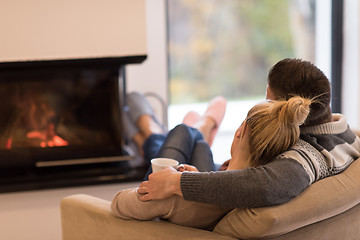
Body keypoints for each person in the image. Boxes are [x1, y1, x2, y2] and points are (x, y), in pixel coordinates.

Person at [131, 58, 360, 210]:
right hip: (223, 174)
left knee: (183, 133)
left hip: (206, 214)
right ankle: (186, 128)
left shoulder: (306, 157)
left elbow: (266, 186)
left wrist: (177, 182)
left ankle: (171, 129)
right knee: (194, 141)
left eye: (268, 101)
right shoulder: (346, 135)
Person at [111, 96, 314, 229]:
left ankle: (160, 131)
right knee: (199, 145)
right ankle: (195, 129)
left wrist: (174, 183)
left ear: (239, 132)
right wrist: (197, 176)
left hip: (160, 226)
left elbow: (119, 204)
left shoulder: (175, 199)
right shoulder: (254, 194)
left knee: (182, 132)